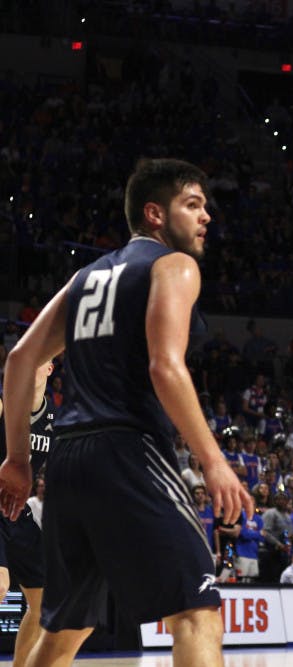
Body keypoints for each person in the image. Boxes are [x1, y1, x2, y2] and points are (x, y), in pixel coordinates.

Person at [0, 158, 253, 667]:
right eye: (193, 204)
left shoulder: (85, 277)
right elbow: (165, 366)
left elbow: (20, 359)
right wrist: (214, 460)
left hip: (71, 463)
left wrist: (18, 460)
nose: (207, 217)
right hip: (128, 450)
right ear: (155, 214)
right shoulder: (175, 266)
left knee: (66, 628)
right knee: (197, 613)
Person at [0, 361, 54, 666]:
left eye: (40, 359)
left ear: (49, 368)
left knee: (46, 602)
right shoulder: (5, 405)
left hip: (17, 514)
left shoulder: (52, 420)